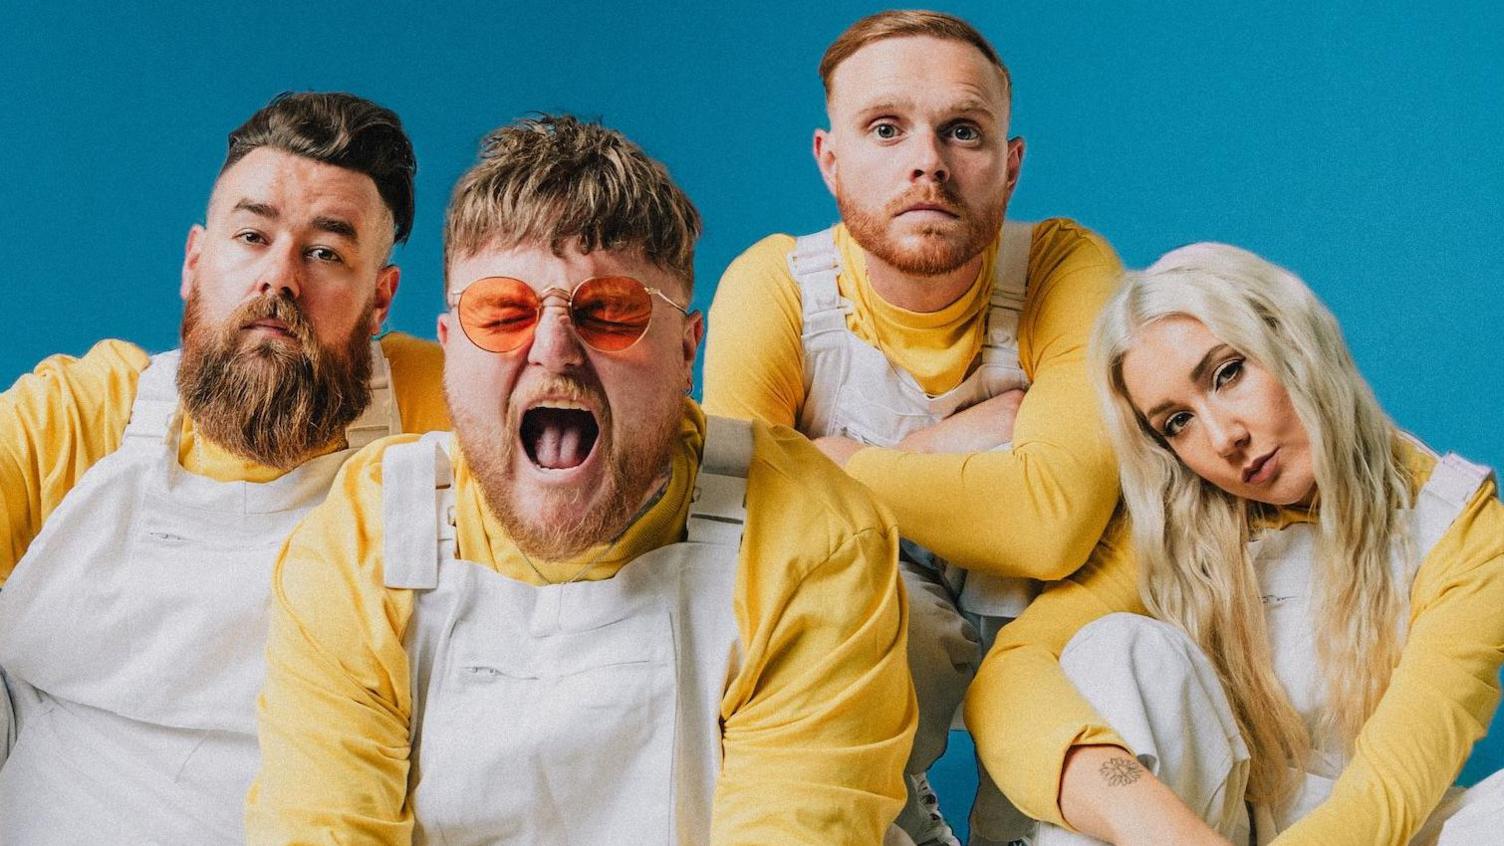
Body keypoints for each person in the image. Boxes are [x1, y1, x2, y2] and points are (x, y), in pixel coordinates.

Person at [246, 114, 916, 845]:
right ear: (449, 352)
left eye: (610, 313)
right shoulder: (364, 538)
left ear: (687, 349)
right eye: (503, 314)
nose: (554, 351)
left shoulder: (813, 541)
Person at [702, 10, 1122, 845]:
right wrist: (945, 446)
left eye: (962, 131)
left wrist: (829, 463)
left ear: (1010, 166)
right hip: (869, 642)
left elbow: (1052, 525)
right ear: (830, 158)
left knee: (1130, 651)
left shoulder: (1064, 269)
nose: (926, 161)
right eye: (886, 128)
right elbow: (728, 540)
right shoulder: (779, 289)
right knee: (852, 615)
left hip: (1046, 629)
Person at [0, 91, 448, 843]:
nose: (280, 279)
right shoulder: (84, 416)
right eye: (252, 235)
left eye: (326, 251)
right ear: (195, 261)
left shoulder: (438, 407)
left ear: (380, 302)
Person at [966, 242, 1504, 845]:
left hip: (1371, 833)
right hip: (1200, 827)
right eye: (1177, 422)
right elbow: (1008, 676)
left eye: (1228, 373)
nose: (1224, 438)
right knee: (1118, 650)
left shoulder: (1461, 526)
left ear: (1293, 339)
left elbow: (1388, 792)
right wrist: (1151, 823)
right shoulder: (1175, 523)